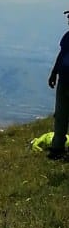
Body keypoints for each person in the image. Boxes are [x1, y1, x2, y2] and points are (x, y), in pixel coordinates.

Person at [47, 9, 69, 161]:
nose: (68, 20)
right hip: (64, 80)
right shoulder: (68, 37)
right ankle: (57, 148)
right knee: (60, 115)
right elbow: (61, 55)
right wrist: (54, 73)